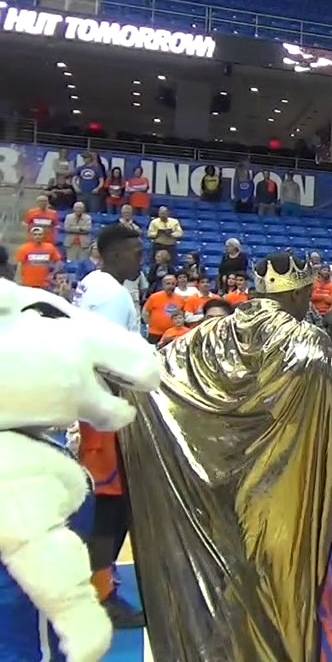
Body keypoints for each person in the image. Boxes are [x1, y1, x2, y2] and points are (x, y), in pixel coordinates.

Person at [115, 252, 332, 660]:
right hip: (282, 494)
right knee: (293, 591)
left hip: (221, 487)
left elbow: (150, 375)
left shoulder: (212, 333)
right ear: (297, 294)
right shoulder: (307, 342)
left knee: (234, 587)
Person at [0, 277, 160, 662]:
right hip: (30, 630)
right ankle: (104, 589)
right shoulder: (22, 465)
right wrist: (81, 620)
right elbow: (41, 555)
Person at [70, 223, 146, 628]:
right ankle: (100, 597)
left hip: (95, 410)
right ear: (115, 254)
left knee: (111, 505)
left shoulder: (95, 286)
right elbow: (108, 360)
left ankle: (97, 585)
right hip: (104, 414)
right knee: (110, 508)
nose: (141, 260)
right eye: (136, 253)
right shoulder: (111, 294)